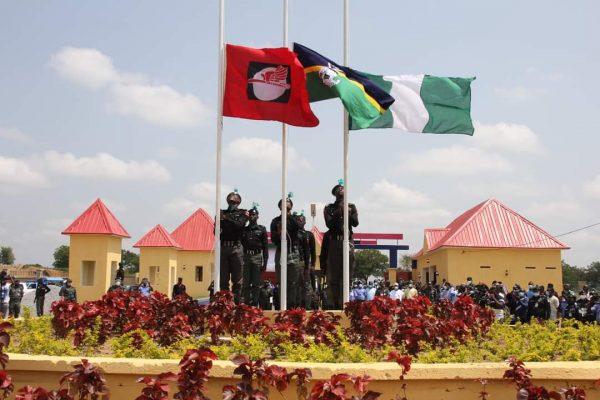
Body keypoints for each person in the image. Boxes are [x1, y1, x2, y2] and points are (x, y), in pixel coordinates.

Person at [323, 182, 359, 309]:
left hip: (347, 241)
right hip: (335, 242)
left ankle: (346, 302)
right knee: (335, 274)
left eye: (343, 188)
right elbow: (329, 225)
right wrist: (339, 211)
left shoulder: (351, 206)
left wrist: (347, 212)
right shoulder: (329, 208)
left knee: (347, 273)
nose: (341, 190)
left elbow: (355, 223)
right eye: (339, 189)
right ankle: (335, 303)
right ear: (335, 193)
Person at [270, 196, 302, 308]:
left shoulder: (295, 219)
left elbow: (298, 228)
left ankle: (291, 307)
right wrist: (278, 233)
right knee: (281, 282)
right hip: (281, 253)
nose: (286, 207)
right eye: (283, 205)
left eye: (288, 206)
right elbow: (273, 239)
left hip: (293, 253)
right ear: (280, 207)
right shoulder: (275, 221)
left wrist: (289, 217)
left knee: (293, 283)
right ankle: (281, 307)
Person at [219, 191, 249, 303]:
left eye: (235, 201)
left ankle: (237, 303)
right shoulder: (222, 213)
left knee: (237, 280)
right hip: (223, 247)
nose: (232, 203)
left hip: (236, 248)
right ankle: (225, 304)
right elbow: (216, 230)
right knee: (223, 280)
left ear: (239, 202)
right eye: (230, 201)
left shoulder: (242, 214)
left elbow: (239, 225)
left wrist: (226, 219)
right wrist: (222, 220)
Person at [241, 206, 269, 306]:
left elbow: (265, 248)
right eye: (251, 215)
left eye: (254, 215)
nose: (252, 216)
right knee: (246, 284)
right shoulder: (244, 230)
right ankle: (247, 305)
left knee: (256, 284)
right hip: (246, 257)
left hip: (257, 257)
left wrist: (265, 263)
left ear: (257, 216)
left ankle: (255, 305)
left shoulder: (262, 229)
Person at [296, 213, 316, 308]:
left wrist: (312, 265)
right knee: (297, 285)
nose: (300, 222)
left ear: (305, 222)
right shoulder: (294, 234)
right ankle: (298, 306)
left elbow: (313, 251)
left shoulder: (309, 235)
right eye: (298, 220)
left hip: (305, 263)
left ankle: (307, 306)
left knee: (307, 286)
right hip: (296, 262)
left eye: (301, 220)